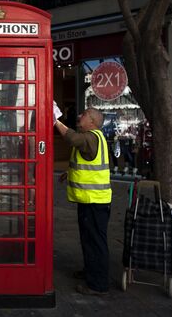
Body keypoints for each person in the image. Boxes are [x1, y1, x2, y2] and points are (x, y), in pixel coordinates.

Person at [53, 102, 111, 296]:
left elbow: (72, 139)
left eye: (84, 114)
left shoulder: (90, 138)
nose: (80, 116)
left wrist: (55, 121)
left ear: (92, 121)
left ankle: (98, 284)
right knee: (88, 239)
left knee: (95, 241)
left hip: (95, 200)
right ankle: (90, 271)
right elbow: (86, 159)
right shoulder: (95, 138)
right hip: (91, 200)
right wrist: (69, 172)